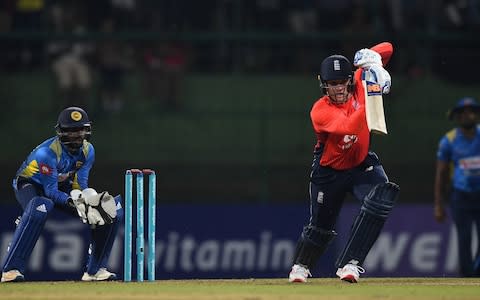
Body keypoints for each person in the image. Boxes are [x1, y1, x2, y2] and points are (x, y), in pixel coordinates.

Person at [288, 42, 400, 283]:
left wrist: (369, 59)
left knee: (381, 196)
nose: (339, 88)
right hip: (329, 170)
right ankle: (301, 266)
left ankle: (350, 263)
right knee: (320, 227)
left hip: (360, 164)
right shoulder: (320, 111)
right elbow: (350, 126)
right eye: (332, 84)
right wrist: (374, 90)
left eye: (342, 82)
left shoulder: (361, 79)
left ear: (350, 79)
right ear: (324, 85)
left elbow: (388, 48)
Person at [1, 107, 123, 282]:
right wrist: (73, 202)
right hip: (30, 184)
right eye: (72, 131)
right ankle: (11, 271)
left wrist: (86, 203)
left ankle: (94, 270)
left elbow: (80, 184)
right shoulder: (47, 153)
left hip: (60, 185)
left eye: (81, 129)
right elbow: (50, 192)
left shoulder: (88, 151)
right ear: (61, 132)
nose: (77, 135)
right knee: (40, 207)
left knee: (107, 211)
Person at [434, 97, 480, 277]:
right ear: (458, 117)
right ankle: (468, 276)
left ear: (475, 115)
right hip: (461, 196)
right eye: (463, 112)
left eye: (471, 111)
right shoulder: (449, 140)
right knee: (464, 237)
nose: (468, 115)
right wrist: (438, 205)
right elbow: (441, 174)